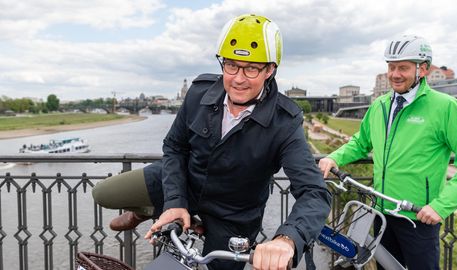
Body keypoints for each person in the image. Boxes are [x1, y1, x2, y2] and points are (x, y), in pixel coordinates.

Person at [93, 14, 331, 270]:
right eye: (231, 65)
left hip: (233, 214)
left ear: (270, 70)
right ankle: (149, 210)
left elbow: (314, 192)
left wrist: (287, 239)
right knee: (103, 193)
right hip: (186, 183)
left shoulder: (285, 121)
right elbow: (175, 147)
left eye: (251, 68)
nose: (238, 78)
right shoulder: (199, 93)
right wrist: (174, 203)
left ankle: (185, 218)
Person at [319, 35, 457, 270]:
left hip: (418, 218)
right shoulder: (380, 105)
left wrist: (441, 206)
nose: (395, 74)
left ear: (422, 69)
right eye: (391, 67)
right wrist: (334, 157)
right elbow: (361, 142)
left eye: (403, 68)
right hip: (381, 212)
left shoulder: (445, 107)